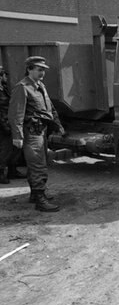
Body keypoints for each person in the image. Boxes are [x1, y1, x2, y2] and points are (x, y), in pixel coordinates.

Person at [8, 56, 66, 212]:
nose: (42, 73)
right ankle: (40, 200)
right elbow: (15, 114)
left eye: (44, 70)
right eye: (39, 70)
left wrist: (58, 125)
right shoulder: (23, 87)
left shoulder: (40, 86)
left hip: (41, 132)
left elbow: (50, 109)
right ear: (29, 69)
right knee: (37, 165)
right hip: (31, 133)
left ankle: (35, 194)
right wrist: (17, 136)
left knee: (40, 163)